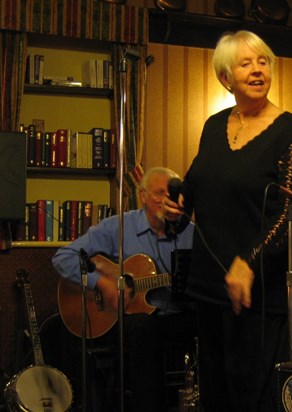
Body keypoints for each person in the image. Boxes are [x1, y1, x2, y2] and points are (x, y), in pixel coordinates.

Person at [164, 30, 292, 412]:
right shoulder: (214, 127)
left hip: (258, 291)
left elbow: (291, 213)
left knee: (254, 397)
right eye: (246, 63)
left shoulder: (288, 129)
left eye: (263, 61)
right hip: (209, 286)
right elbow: (195, 188)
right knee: (216, 395)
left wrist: (250, 262)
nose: (258, 70)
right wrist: (176, 205)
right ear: (226, 77)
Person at [52, 166, 196, 412]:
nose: (166, 200)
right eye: (158, 193)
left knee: (213, 320)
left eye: (171, 194)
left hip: (174, 314)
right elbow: (64, 257)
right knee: (144, 328)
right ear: (142, 196)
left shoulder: (190, 232)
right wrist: (102, 282)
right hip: (122, 317)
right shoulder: (119, 226)